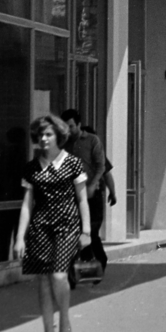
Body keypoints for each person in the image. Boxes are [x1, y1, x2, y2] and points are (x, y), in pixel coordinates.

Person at [14, 114, 90, 332]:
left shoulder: (73, 163)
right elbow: (27, 204)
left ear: (59, 136)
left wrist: (86, 230)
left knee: (58, 275)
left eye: (48, 134)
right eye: (40, 135)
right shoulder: (32, 168)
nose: (44, 139)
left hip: (67, 225)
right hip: (40, 227)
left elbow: (82, 199)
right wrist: (20, 237)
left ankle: (65, 320)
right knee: (44, 281)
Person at [62, 108, 111, 278]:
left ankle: (100, 260)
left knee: (92, 232)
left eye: (71, 126)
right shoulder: (64, 144)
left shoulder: (92, 141)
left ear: (79, 124)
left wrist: (92, 185)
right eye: (65, 127)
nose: (69, 130)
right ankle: (78, 271)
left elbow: (101, 167)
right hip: (72, 197)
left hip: (92, 196)